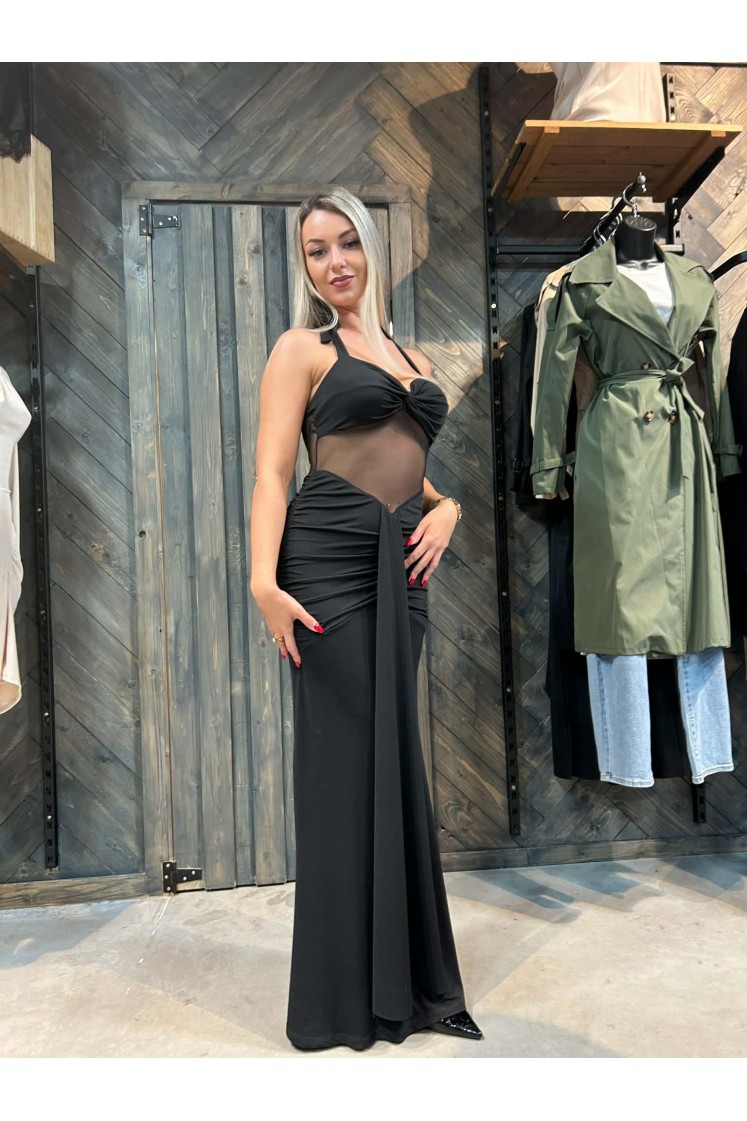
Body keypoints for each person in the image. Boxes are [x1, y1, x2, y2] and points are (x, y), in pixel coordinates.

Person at [250, 187, 482, 1051]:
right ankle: (340, 1002)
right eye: (316, 250)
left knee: (395, 761)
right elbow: (274, 472)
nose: (334, 261)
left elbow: (405, 464)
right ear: (305, 266)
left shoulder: (408, 354)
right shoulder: (300, 349)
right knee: (342, 772)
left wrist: (447, 507)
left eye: (346, 242)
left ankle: (416, 986)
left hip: (401, 571)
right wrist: (261, 582)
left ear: (370, 248)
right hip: (328, 566)